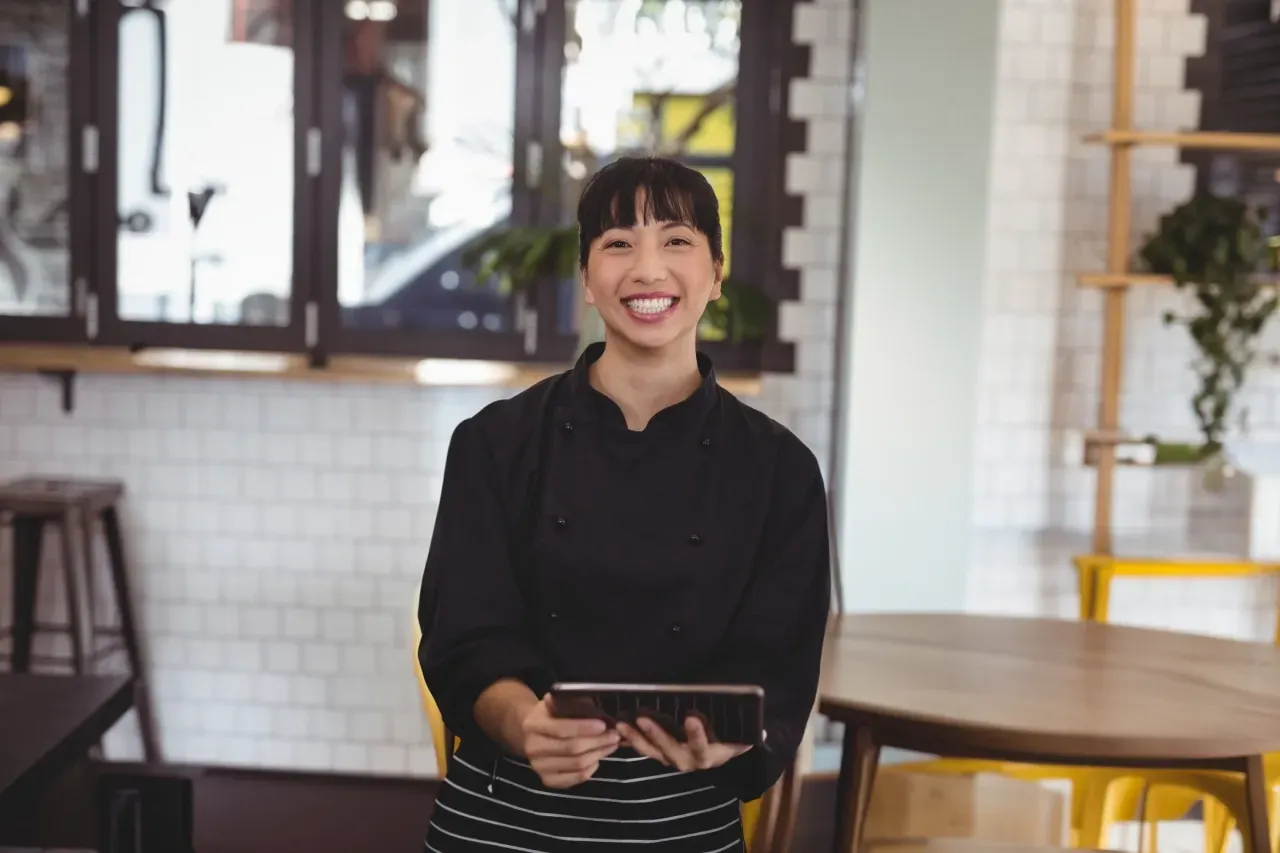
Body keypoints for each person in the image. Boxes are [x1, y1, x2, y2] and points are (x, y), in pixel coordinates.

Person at [417, 156, 831, 852]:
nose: (647, 270)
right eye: (618, 244)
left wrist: (721, 741)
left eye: (676, 240)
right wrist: (526, 724)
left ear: (716, 271)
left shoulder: (780, 471)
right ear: (585, 276)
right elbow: (464, 634)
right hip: (506, 812)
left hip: (680, 822)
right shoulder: (494, 443)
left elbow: (777, 661)